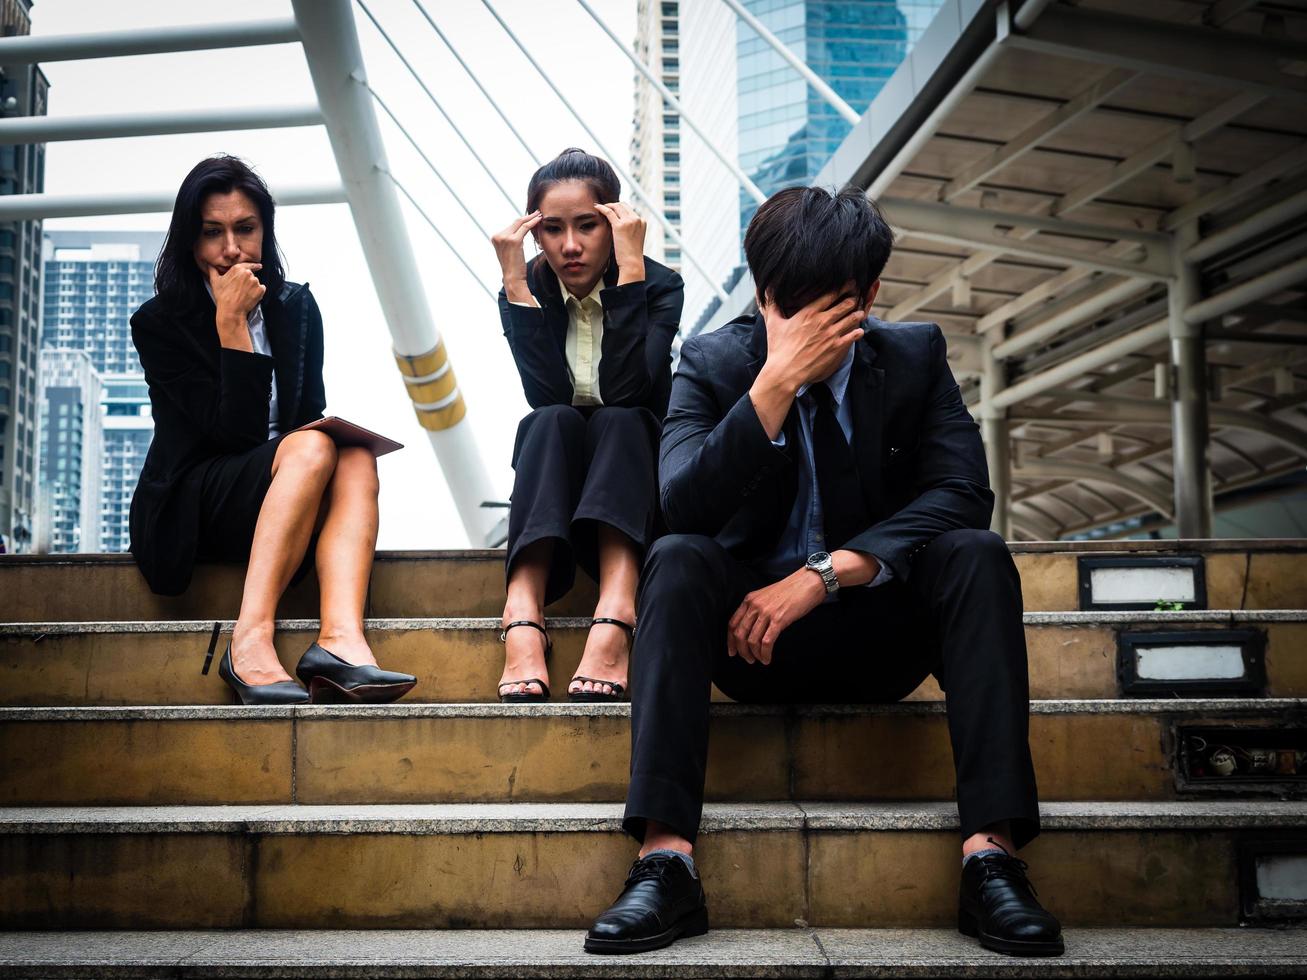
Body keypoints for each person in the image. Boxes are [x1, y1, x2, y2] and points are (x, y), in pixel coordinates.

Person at [584, 187, 1063, 957]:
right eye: (785, 304)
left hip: (881, 639)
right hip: (750, 648)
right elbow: (681, 508)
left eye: (829, 308)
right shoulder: (712, 361)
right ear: (761, 292)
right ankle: (664, 860)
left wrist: (824, 573)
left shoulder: (912, 357)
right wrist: (771, 386)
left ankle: (992, 856)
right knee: (674, 557)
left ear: (869, 295)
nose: (806, 329)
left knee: (974, 553)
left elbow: (963, 493)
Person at [130, 155, 415, 706]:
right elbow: (230, 436)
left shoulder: (294, 307)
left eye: (245, 229)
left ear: (266, 233)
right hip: (193, 504)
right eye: (212, 233)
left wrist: (323, 437)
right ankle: (249, 641)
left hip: (282, 496)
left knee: (354, 455)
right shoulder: (158, 322)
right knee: (312, 447)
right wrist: (231, 325)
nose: (231, 248)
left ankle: (341, 643)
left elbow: (307, 412)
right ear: (189, 241)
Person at [492, 148, 684, 703]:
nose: (569, 246)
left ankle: (617, 610)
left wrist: (630, 276)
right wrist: (514, 284)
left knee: (622, 418)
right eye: (552, 230)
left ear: (615, 223)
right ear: (534, 234)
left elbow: (628, 390)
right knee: (548, 420)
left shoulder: (660, 285)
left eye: (587, 226)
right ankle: (522, 609)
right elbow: (546, 395)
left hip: (633, 480)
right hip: (560, 484)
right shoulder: (526, 286)